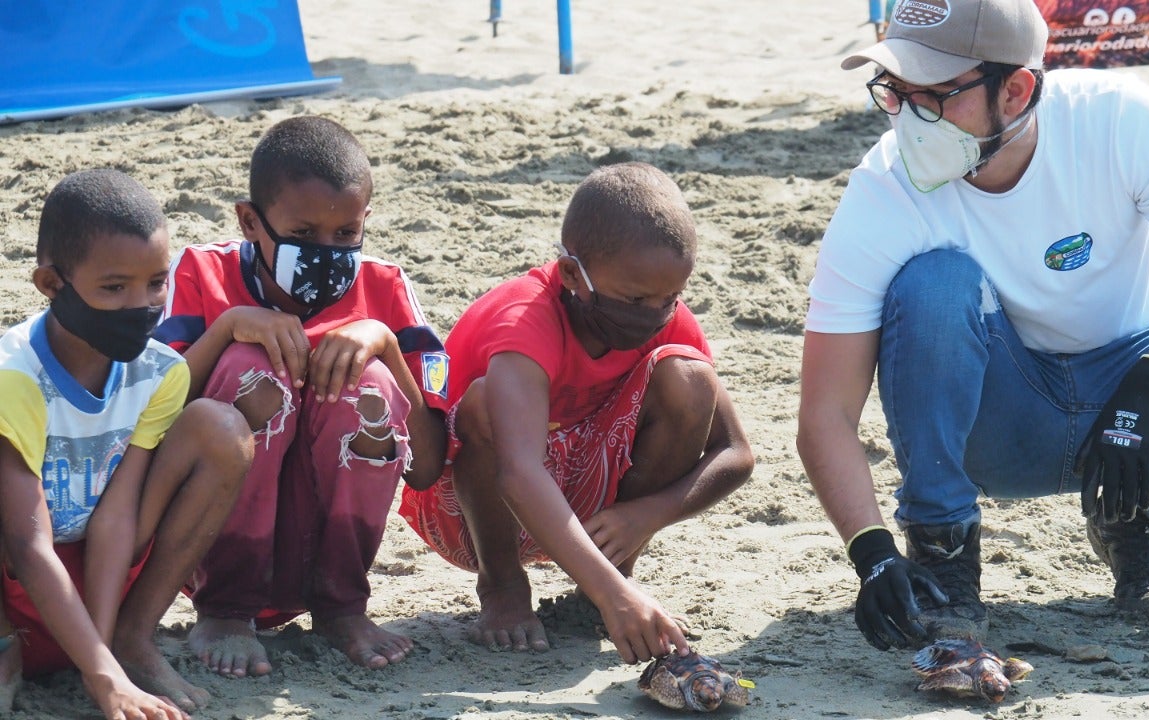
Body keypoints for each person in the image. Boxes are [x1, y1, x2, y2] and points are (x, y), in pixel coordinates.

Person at [797, 0, 1149, 653]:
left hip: (1129, 400)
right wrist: (873, 551)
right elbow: (825, 414)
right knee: (935, 283)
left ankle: (1138, 523)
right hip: (1000, 422)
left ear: (1017, 89)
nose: (912, 117)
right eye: (896, 92)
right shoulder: (885, 188)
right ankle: (943, 551)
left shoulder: (1117, 119)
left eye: (936, 95)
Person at [398, 162, 755, 663]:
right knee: (484, 403)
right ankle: (503, 589)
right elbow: (520, 471)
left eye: (670, 298)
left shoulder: (666, 316)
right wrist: (616, 597)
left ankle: (607, 580)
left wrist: (645, 516)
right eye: (635, 298)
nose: (654, 314)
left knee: (690, 378)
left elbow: (736, 453)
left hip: (587, 500)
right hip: (472, 512)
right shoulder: (525, 319)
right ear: (571, 274)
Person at [154, 116, 450, 677]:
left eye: (345, 235)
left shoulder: (385, 288)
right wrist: (227, 329)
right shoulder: (201, 274)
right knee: (251, 368)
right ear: (249, 220)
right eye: (304, 233)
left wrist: (384, 344)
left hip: (327, 545)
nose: (326, 251)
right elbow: (147, 424)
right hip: (212, 546)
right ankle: (227, 610)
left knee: (371, 389)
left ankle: (342, 607)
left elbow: (429, 466)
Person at [0, 169, 253, 718]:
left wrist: (104, 654)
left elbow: (117, 517)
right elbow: (27, 545)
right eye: (114, 288)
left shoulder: (159, 373)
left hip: (95, 573)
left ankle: (129, 639)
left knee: (220, 430)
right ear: (51, 285)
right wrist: (101, 678)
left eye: (156, 284)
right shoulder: (14, 377)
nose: (141, 306)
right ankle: (5, 653)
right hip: (18, 576)